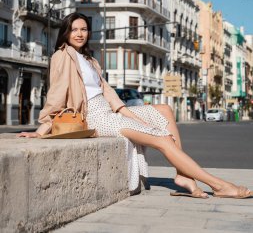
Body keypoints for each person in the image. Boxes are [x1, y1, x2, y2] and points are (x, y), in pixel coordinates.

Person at [18, 13, 252, 199]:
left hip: (108, 111)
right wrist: (42, 128)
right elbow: (56, 94)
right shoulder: (62, 55)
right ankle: (219, 186)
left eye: (84, 29)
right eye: (75, 29)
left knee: (163, 111)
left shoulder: (90, 60)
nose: (80, 34)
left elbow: (110, 96)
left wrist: (135, 117)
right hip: (94, 117)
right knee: (162, 138)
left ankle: (183, 175)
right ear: (66, 32)